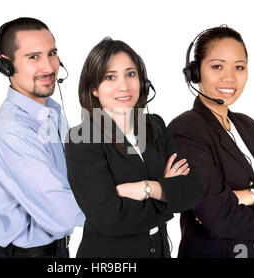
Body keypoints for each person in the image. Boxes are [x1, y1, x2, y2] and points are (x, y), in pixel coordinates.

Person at [167, 25, 254, 258]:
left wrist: (250, 196)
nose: (229, 77)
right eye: (217, 66)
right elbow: (217, 218)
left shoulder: (248, 126)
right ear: (195, 72)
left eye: (239, 67)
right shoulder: (186, 130)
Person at [65, 38, 204, 258]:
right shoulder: (82, 139)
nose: (124, 86)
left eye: (131, 74)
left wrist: (147, 188)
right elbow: (110, 220)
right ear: (93, 89)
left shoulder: (154, 125)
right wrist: (167, 193)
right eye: (110, 77)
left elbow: (193, 189)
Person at [0, 17, 84, 258]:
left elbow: (72, 178)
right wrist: (134, 197)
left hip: (57, 251)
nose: (49, 67)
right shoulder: (12, 131)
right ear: (6, 66)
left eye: (52, 53)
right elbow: (64, 213)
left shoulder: (53, 111)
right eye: (33, 57)